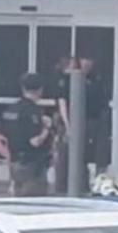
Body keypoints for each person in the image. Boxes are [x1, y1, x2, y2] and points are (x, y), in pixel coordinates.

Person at [0, 73, 53, 197]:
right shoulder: (33, 112)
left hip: (15, 164)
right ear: (40, 90)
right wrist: (47, 128)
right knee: (34, 204)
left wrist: (7, 154)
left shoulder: (11, 109)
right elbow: (35, 142)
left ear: (23, 88)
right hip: (32, 166)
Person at [82, 58, 112, 177]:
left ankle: (100, 176)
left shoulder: (99, 78)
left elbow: (105, 96)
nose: (87, 63)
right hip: (83, 118)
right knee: (82, 150)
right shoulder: (74, 78)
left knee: (101, 149)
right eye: (84, 60)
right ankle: (83, 178)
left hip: (99, 117)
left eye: (89, 61)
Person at [51, 56, 77, 195]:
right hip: (64, 123)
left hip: (68, 122)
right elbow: (62, 105)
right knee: (62, 153)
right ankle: (61, 186)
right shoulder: (62, 82)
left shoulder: (69, 81)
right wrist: (68, 125)